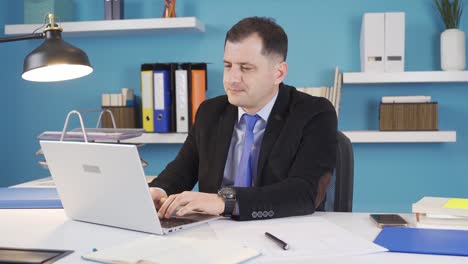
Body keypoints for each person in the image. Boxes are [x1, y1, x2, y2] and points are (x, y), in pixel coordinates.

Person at [149, 16, 337, 221]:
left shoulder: (315, 113)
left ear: (279, 73)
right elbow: (181, 171)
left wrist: (225, 202)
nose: (232, 78)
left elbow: (303, 192)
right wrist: (159, 190)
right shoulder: (210, 112)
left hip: (284, 234)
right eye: (228, 65)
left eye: (246, 68)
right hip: (216, 237)